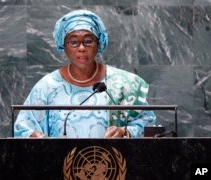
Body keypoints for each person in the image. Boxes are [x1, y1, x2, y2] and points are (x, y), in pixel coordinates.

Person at [14, 9, 156, 138]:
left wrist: (126, 132)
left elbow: (149, 125)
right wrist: (33, 136)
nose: (81, 48)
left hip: (113, 164)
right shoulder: (48, 86)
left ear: (98, 43)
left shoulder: (123, 83)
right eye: (74, 42)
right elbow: (23, 127)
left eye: (88, 41)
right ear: (63, 45)